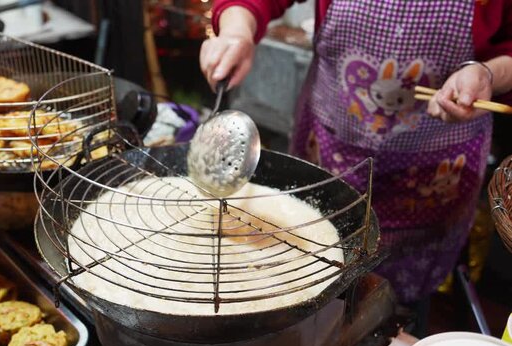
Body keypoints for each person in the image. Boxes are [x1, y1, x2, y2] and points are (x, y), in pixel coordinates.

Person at [200, 0, 512, 316]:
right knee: (308, 287)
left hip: (434, 175)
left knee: (397, 312)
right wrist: (238, 30)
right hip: (330, 153)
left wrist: (488, 73)